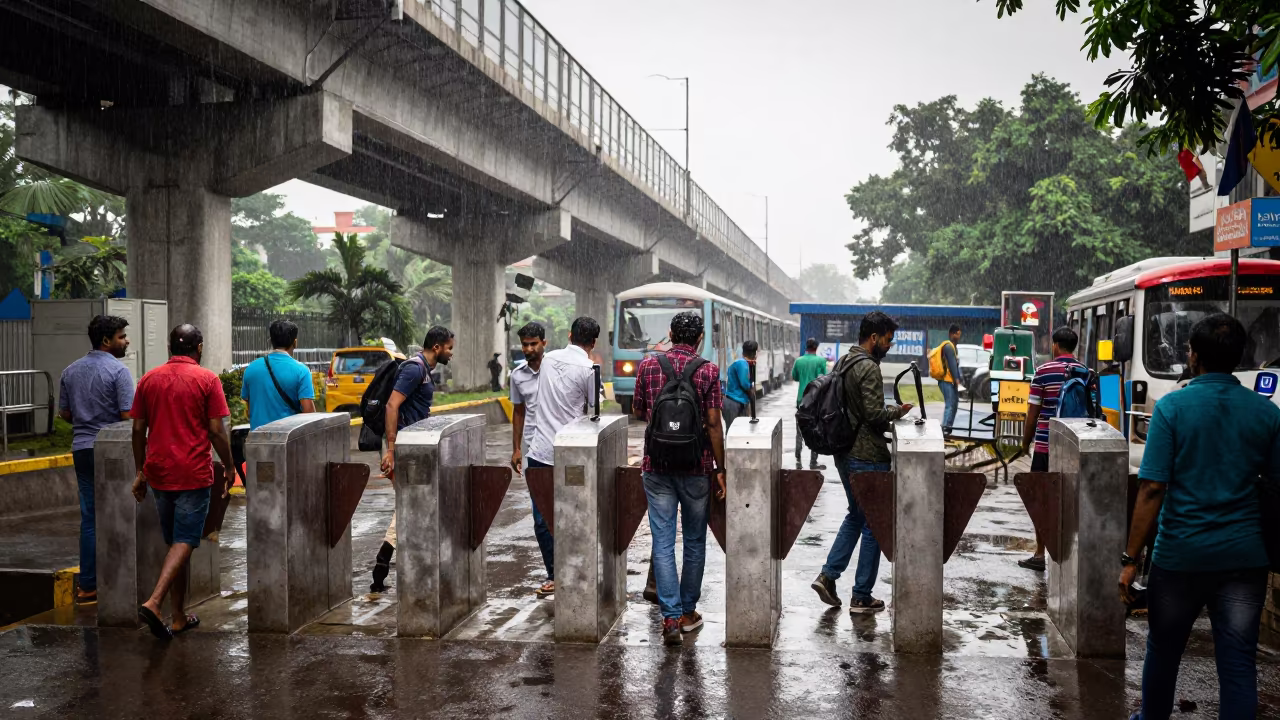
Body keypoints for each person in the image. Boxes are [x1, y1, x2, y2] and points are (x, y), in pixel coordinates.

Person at [1121, 313, 1280, 720]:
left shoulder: (1173, 408)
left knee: (1164, 650)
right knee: (1238, 661)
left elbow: (1152, 487)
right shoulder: (1266, 414)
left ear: (1193, 356)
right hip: (1244, 558)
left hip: (1180, 557)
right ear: (1239, 355)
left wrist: (1130, 561)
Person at [131, 324, 235, 639]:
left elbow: (138, 431)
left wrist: (141, 471)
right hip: (192, 473)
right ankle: (155, 601)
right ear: (198, 347)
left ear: (169, 346)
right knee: (185, 541)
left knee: (177, 544)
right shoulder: (207, 379)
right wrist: (229, 467)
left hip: (159, 473)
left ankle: (178, 617)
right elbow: (216, 431)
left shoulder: (149, 379)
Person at [633, 311, 726, 646]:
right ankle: (688, 613)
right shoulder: (708, 371)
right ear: (700, 338)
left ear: (671, 334)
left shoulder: (648, 366)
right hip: (696, 467)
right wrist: (720, 469)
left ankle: (669, 618)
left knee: (662, 540)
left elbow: (639, 410)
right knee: (695, 541)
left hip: (656, 466)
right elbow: (714, 423)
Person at [811, 311, 912, 614]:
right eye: (888, 339)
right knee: (873, 522)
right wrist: (898, 411)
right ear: (874, 338)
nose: (889, 345)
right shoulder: (868, 367)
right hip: (866, 455)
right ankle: (862, 595)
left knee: (856, 515)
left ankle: (828, 577)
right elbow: (873, 414)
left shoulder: (844, 361)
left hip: (843, 451)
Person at [369, 325, 454, 593]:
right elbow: (392, 405)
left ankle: (398, 565)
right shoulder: (415, 368)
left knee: (415, 505)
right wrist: (392, 450)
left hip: (415, 447)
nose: (451, 353)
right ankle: (384, 561)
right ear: (437, 347)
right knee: (410, 506)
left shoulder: (425, 371)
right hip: (406, 449)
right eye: (449, 348)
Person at [57, 314, 135, 604]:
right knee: (121, 512)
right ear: (106, 340)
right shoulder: (119, 372)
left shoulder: (70, 371)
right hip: (112, 450)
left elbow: (65, 414)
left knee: (90, 517)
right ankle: (120, 578)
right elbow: (128, 416)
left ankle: (88, 586)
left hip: (81, 448)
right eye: (121, 336)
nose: (126, 341)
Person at [525, 316, 601, 597]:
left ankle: (555, 574)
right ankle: (578, 571)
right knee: (576, 514)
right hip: (573, 454)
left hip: (540, 452)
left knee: (542, 517)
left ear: (569, 334)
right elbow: (594, 411)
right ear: (593, 342)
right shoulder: (590, 369)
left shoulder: (548, 359)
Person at [1017, 326, 1086, 572]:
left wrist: (1026, 443)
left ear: (1055, 345)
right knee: (1069, 498)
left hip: (1046, 446)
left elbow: (1032, 413)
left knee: (1041, 499)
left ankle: (1039, 553)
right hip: (1075, 446)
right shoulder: (1085, 372)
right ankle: (1069, 553)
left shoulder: (1043, 372)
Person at [508, 322, 554, 597]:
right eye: (525, 344)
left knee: (566, 513)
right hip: (534, 452)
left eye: (533, 343)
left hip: (561, 448)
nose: (529, 349)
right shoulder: (517, 376)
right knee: (540, 518)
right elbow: (518, 411)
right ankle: (554, 573)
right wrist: (516, 448)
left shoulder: (556, 370)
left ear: (544, 343)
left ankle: (573, 569)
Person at [240, 319, 316, 429]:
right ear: (295, 342)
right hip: (288, 440)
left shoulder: (251, 369)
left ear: (271, 341)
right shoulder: (301, 371)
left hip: (258, 440)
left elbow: (249, 409)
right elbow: (309, 413)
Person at [791, 337, 828, 470]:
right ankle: (813, 460)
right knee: (815, 429)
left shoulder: (799, 361)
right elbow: (824, 378)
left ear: (806, 347)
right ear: (816, 347)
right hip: (815, 399)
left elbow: (794, 377)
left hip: (801, 399)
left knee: (800, 427)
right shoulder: (820, 361)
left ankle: (798, 454)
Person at [722, 340, 756, 428]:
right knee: (733, 431)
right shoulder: (742, 363)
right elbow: (745, 384)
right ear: (755, 353)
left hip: (737, 402)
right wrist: (751, 390)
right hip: (734, 402)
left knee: (739, 431)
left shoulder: (741, 362)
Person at [938, 324, 964, 430]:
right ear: (951, 334)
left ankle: (948, 427)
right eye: (957, 334)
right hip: (946, 380)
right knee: (949, 405)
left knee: (954, 404)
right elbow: (953, 365)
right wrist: (957, 381)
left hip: (951, 381)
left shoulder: (954, 347)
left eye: (959, 334)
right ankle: (945, 429)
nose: (958, 336)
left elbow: (956, 365)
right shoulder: (948, 346)